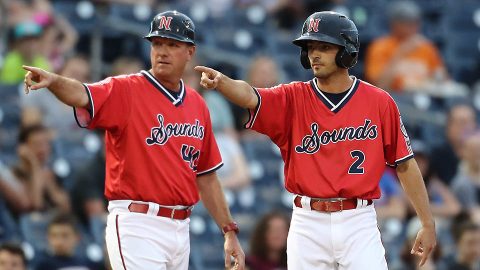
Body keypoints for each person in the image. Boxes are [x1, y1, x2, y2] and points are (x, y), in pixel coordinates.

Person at [196, 11, 436, 269]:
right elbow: (250, 96)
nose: (314, 54)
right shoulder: (293, 97)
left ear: (346, 51)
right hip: (308, 222)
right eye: (310, 47)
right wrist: (223, 83)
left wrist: (427, 222)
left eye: (324, 46)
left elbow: (405, 163)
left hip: (358, 220)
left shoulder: (379, 102)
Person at [22, 10, 244, 270]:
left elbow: (206, 176)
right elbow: (83, 94)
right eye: (157, 43)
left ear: (190, 52)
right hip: (137, 224)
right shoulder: (126, 88)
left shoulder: (197, 104)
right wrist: (54, 81)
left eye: (172, 44)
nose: (162, 51)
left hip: (181, 228)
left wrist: (228, 230)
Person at [364, 0, 447, 93]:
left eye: (415, 22)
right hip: (395, 97)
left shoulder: (425, 46)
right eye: (407, 23)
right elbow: (380, 85)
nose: (413, 27)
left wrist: (434, 79)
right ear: (394, 24)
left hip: (424, 97)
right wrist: (400, 53)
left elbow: (442, 79)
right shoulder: (380, 46)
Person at [34, 213, 103, 270]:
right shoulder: (43, 266)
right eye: (54, 236)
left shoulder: (90, 265)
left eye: (65, 235)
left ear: (77, 238)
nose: (59, 241)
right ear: (48, 238)